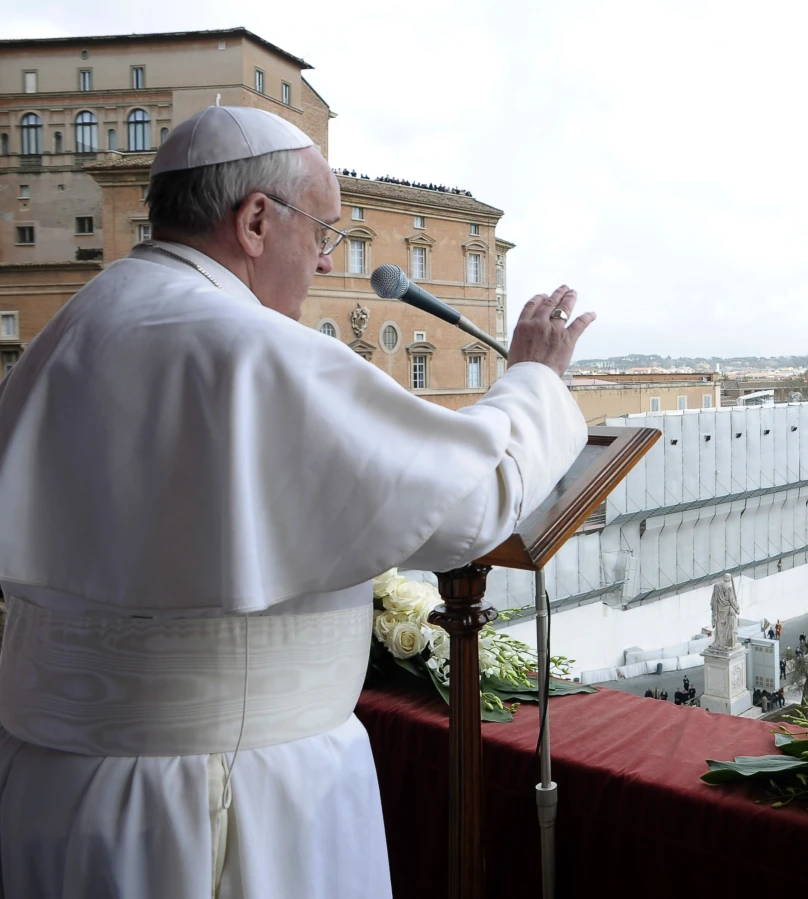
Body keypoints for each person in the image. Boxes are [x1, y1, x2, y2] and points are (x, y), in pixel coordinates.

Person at [0, 106, 595, 898]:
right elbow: (468, 499)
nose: (323, 260)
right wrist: (535, 381)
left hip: (54, 786)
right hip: (223, 797)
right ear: (253, 220)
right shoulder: (248, 346)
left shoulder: (68, 329)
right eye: (322, 233)